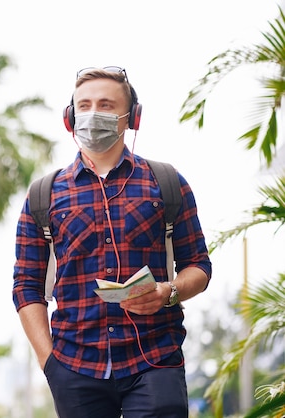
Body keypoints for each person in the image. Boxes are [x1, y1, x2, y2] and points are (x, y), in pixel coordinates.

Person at [12, 66, 212, 417]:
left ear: (130, 117)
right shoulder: (43, 195)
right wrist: (50, 364)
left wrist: (170, 292)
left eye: (105, 105)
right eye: (84, 105)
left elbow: (199, 265)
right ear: (70, 118)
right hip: (74, 367)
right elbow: (26, 287)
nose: (93, 114)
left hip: (155, 360)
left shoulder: (167, 183)